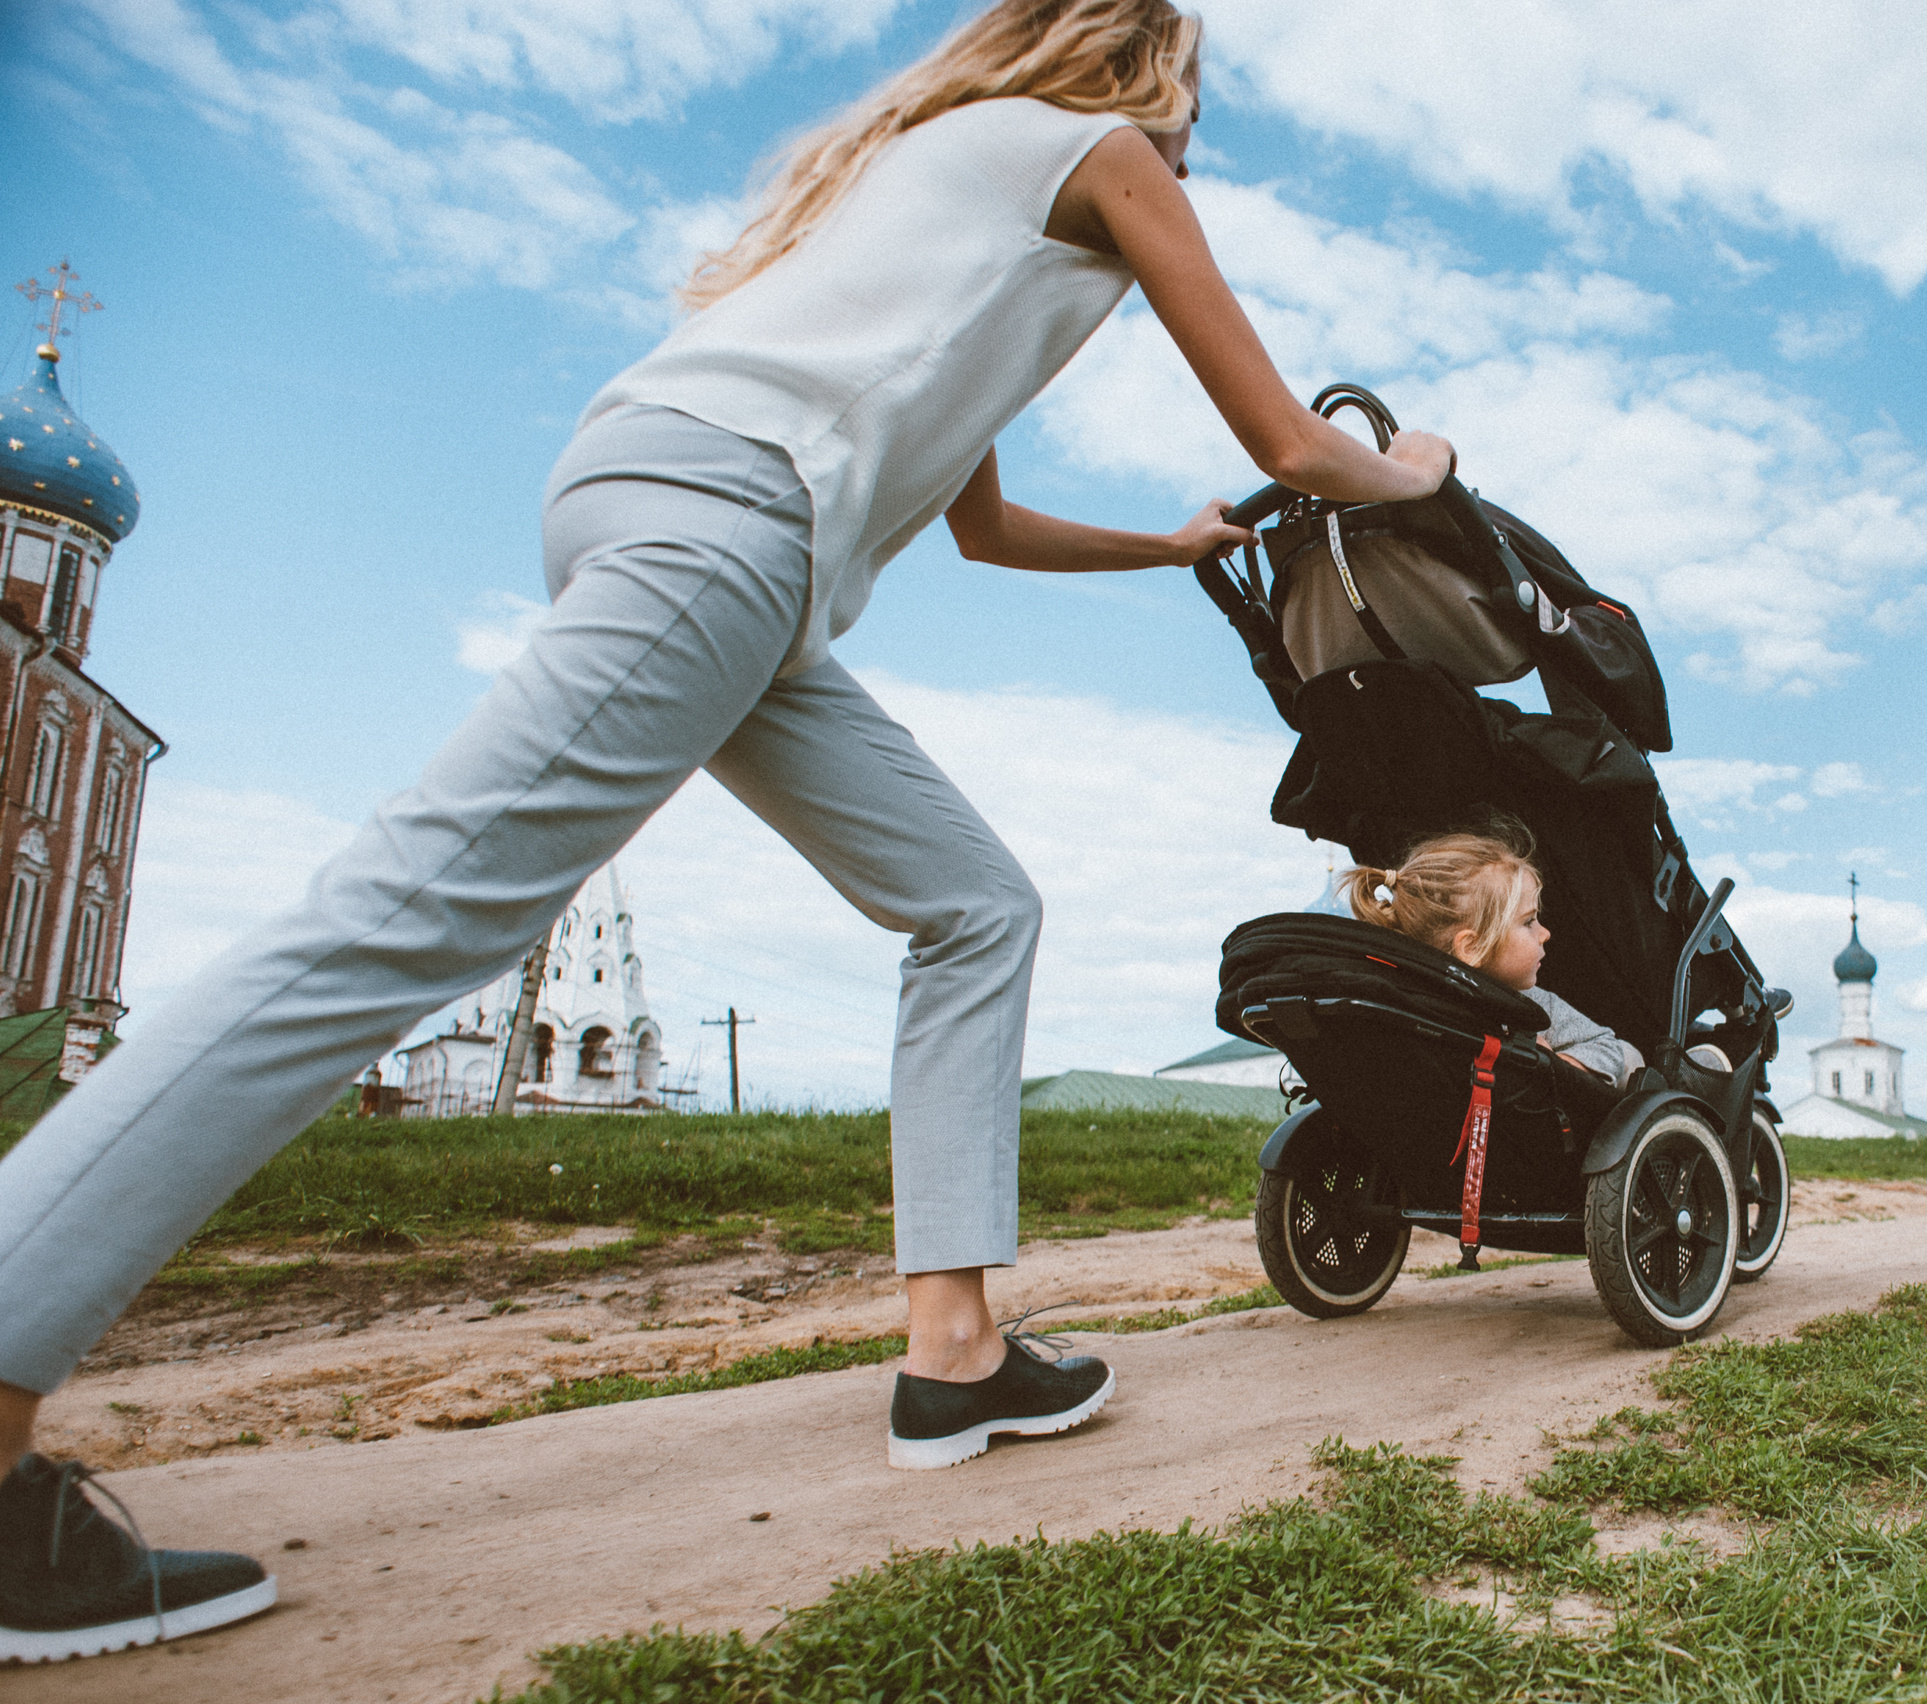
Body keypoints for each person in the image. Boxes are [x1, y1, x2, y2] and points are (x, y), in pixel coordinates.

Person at [0, 0, 1456, 1661]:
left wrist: (1165, 544)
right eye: (1194, 103)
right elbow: (1293, 442)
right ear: (1146, 68)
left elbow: (974, 526)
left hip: (703, 527)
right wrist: (1420, 462)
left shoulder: (926, 185)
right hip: (728, 534)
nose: (1196, 138)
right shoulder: (1109, 157)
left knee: (975, 900)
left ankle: (955, 1354)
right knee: (411, 917)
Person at [1342, 829, 1642, 1087]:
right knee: (1631, 1058)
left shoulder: (1398, 1005)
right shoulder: (1531, 1004)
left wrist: (1557, 1063)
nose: (1545, 933)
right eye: (1529, 922)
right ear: (1471, 947)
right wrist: (1554, 1067)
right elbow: (1613, 1050)